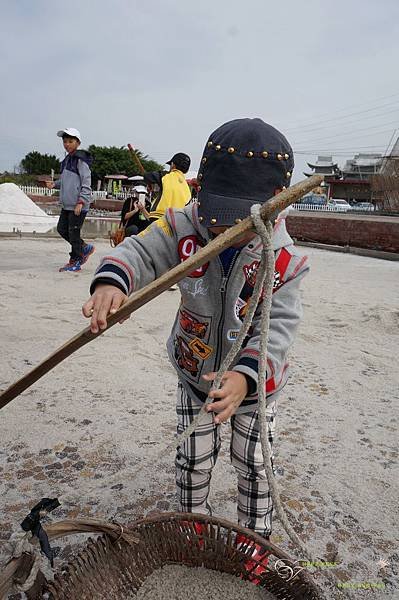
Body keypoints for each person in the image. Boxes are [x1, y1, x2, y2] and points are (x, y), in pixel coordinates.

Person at [82, 118, 308, 574]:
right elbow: (140, 253)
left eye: (243, 220)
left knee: (255, 466)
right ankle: (193, 527)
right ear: (201, 190)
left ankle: (254, 542)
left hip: (255, 389)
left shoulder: (285, 259)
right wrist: (112, 280)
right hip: (195, 371)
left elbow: (279, 324)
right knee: (193, 459)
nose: (225, 228)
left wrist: (247, 377)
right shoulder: (184, 224)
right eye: (216, 212)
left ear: (276, 210)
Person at [46, 127, 95, 272]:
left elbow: (86, 183)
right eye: (65, 141)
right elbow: (66, 181)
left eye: (70, 141)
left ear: (78, 142)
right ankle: (84, 247)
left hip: (78, 205)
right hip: (67, 205)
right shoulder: (67, 160)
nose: (67, 144)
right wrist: (54, 184)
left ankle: (76, 261)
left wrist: (81, 202)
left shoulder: (81, 160)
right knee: (62, 229)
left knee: (74, 233)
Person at [144, 152, 191, 220]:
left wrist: (149, 183)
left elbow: (147, 176)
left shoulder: (166, 176)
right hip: (176, 222)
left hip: (159, 218)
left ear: (172, 165)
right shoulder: (186, 187)